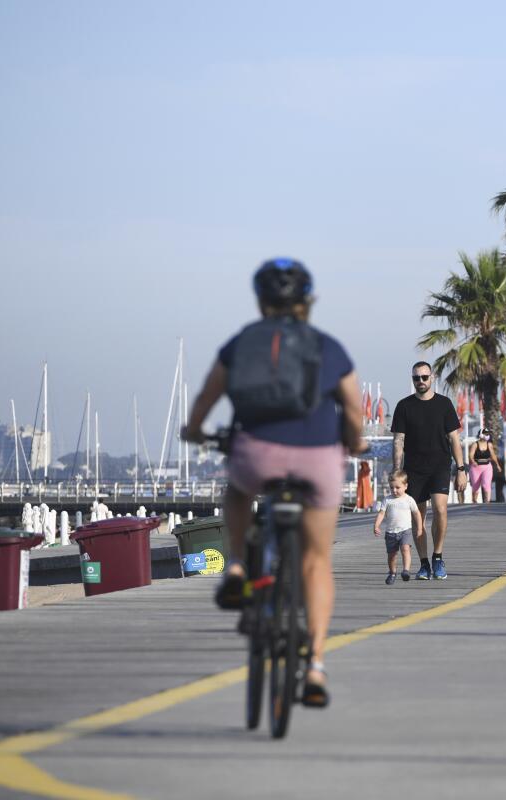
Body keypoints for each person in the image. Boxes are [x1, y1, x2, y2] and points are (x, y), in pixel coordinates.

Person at [182, 257, 363, 709]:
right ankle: (316, 665)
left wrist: (195, 429)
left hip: (256, 453)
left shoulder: (242, 343)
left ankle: (240, 564)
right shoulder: (327, 347)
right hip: (318, 457)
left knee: (238, 491)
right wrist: (352, 442)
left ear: (261, 301)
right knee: (317, 562)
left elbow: (207, 397)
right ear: (308, 302)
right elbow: (355, 411)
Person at [391, 363, 467, 580]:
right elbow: (398, 441)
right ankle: (424, 563)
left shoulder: (444, 404)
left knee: (441, 510)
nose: (421, 381)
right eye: (417, 378)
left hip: (440, 465)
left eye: (425, 377)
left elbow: (454, 438)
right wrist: (397, 471)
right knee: (418, 517)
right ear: (412, 379)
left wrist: (461, 469)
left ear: (432, 377)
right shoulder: (404, 406)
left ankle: (438, 557)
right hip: (413, 469)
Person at [374, 470, 421, 584]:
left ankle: (406, 570)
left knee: (406, 549)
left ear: (405, 486)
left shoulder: (409, 500)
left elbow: (416, 513)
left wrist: (419, 528)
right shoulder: (388, 500)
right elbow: (381, 513)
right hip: (390, 532)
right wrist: (376, 525)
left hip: (405, 531)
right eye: (391, 488)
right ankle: (392, 572)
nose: (394, 490)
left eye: (397, 487)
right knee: (392, 556)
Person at [468, 428, 502, 504]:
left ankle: (487, 502)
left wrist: (497, 465)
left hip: (487, 467)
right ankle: (474, 501)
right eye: (485, 434)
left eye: (488, 434)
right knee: (475, 486)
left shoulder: (489, 444)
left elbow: (493, 455)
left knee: (486, 484)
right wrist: (473, 462)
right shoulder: (475, 444)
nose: (487, 436)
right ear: (480, 435)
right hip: (476, 467)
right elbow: (470, 455)